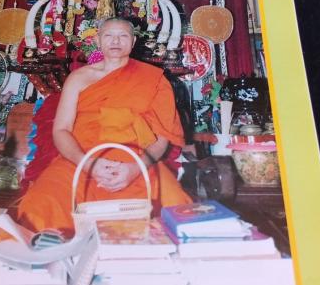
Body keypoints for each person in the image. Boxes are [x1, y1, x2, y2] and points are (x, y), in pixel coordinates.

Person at [18, 17, 192, 233]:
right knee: (40, 206)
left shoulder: (154, 79)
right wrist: (88, 164)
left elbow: (162, 137)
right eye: (109, 35)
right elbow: (61, 130)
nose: (115, 41)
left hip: (136, 161)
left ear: (133, 41)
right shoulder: (79, 78)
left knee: (175, 206)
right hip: (80, 160)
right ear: (98, 40)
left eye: (123, 36)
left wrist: (137, 167)